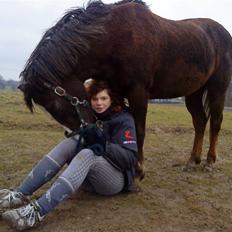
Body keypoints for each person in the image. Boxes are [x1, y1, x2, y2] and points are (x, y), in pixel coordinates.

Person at [0, 80, 138, 231]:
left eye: (103, 98)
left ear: (111, 99)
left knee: (87, 153)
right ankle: (19, 194)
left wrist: (105, 145)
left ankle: (36, 212)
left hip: (114, 181)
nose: (99, 103)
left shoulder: (124, 120)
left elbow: (130, 159)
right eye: (94, 99)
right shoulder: (90, 117)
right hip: (88, 180)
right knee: (73, 140)